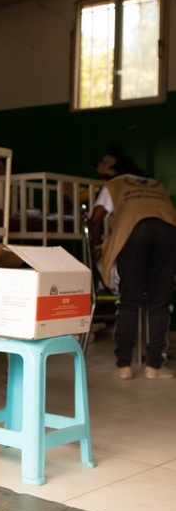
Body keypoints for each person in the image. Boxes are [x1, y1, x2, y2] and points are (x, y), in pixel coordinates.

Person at [91, 146, 176, 381]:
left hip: (135, 231)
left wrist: (96, 246)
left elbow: (97, 217)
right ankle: (155, 366)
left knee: (130, 300)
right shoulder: (157, 185)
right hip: (170, 232)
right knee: (160, 302)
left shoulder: (115, 183)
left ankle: (124, 365)